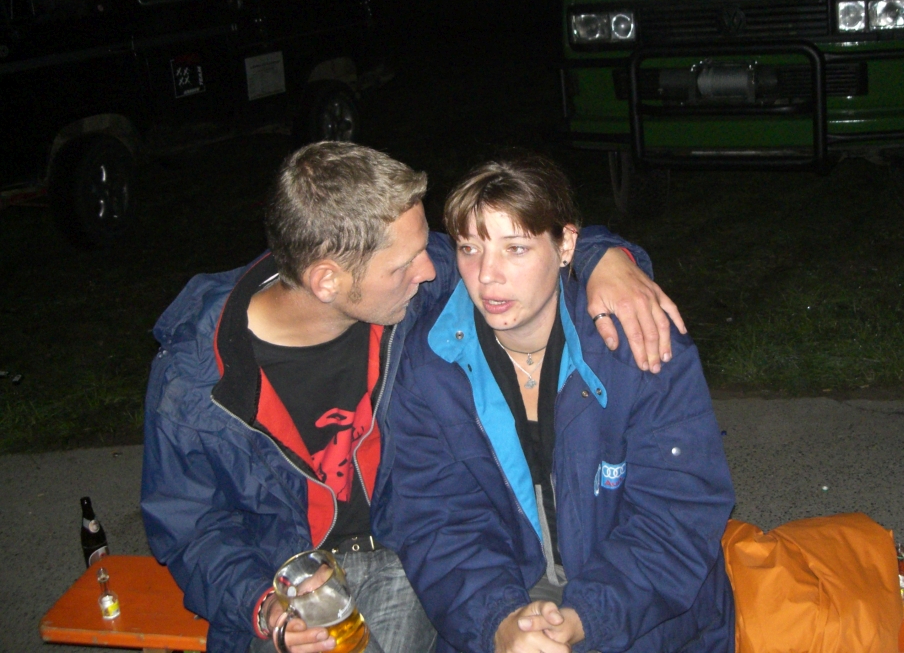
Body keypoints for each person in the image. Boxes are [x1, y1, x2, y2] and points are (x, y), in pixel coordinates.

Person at [141, 142, 685, 653]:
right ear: (327, 281)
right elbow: (192, 530)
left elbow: (524, 242)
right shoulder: (196, 383)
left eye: (425, 246)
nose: (430, 269)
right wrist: (261, 604)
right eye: (405, 263)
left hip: (406, 553)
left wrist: (607, 259)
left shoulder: (411, 292)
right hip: (287, 583)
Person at [371, 157, 735, 653]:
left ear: (566, 247)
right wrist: (500, 621)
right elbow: (436, 519)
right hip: (503, 599)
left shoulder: (638, 342)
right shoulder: (431, 361)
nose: (487, 276)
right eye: (470, 248)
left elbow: (679, 513)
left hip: (643, 611)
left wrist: (585, 618)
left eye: (516, 248)